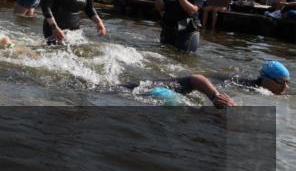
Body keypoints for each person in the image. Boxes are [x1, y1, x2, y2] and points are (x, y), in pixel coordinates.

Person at [121, 61, 289, 107]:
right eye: (281, 82)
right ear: (266, 80)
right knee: (122, 89)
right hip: (158, 87)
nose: (285, 87)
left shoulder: (254, 89)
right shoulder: (246, 86)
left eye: (287, 83)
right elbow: (196, 78)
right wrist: (216, 96)